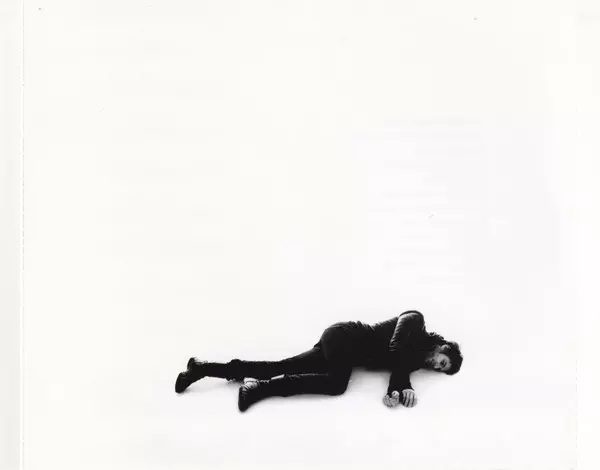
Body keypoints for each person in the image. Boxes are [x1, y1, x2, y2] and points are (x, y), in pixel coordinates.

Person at [175, 310, 463, 412]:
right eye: (442, 362)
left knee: (280, 367)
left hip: (343, 351)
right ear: (444, 347)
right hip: (345, 336)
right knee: (337, 385)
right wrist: (404, 382)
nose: (436, 367)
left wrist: (395, 393)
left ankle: (202, 368)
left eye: (441, 370)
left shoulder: (410, 362)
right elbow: (395, 346)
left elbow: (398, 371)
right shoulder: (416, 320)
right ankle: (259, 388)